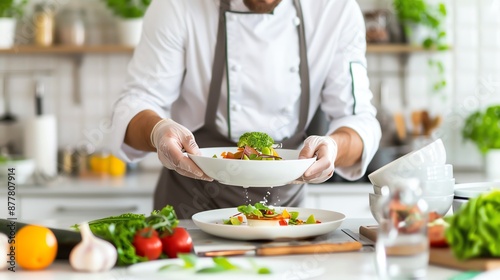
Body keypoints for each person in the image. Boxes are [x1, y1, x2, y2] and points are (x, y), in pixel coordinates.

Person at [110, 0, 381, 219]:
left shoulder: (336, 10)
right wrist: (158, 132)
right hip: (189, 207)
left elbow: (359, 121)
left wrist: (333, 147)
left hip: (284, 214)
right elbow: (136, 103)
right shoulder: (177, 6)